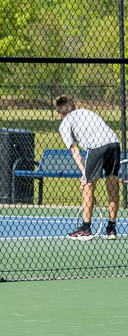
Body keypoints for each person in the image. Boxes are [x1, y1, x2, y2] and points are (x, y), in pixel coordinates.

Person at [54, 95, 120, 240]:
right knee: (112, 184)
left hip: (96, 147)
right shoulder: (86, 111)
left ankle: (85, 229)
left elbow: (74, 150)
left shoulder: (65, 124)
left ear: (59, 114)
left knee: (88, 186)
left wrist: (84, 174)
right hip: (114, 143)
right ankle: (111, 229)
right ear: (75, 106)